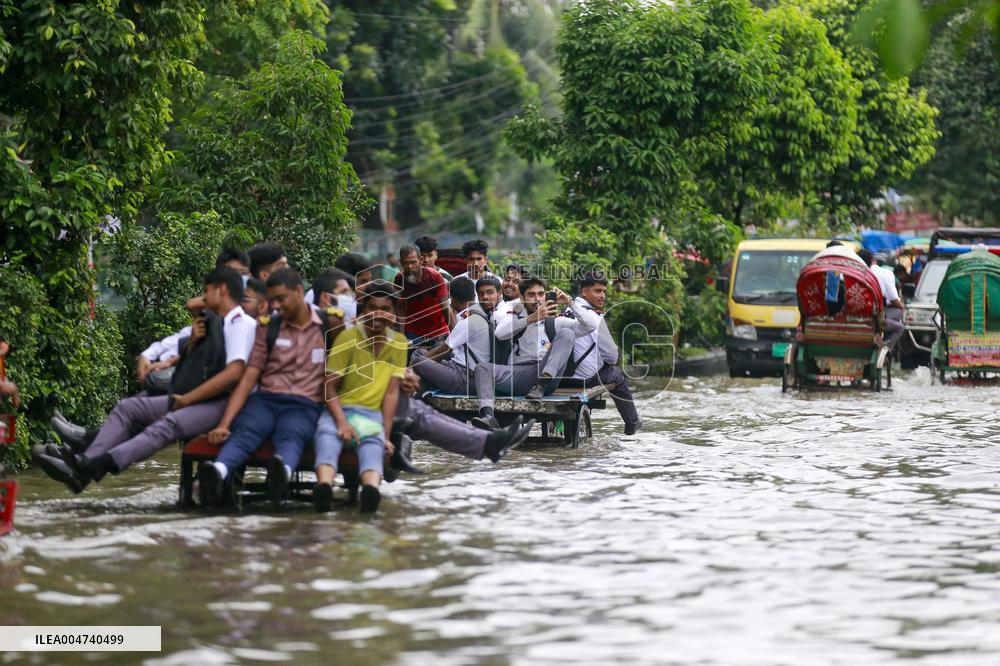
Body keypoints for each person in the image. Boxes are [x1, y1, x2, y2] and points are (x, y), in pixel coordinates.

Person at [34, 267, 258, 493]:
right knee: (128, 408)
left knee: (166, 425)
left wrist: (188, 399)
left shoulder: (241, 324)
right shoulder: (216, 323)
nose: (203, 298)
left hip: (224, 403)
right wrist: (192, 343)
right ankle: (84, 464)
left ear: (221, 290)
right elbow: (194, 365)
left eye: (206, 291)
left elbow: (233, 375)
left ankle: (93, 465)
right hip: (199, 396)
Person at [198, 268, 344, 505]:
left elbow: (345, 364)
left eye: (282, 298)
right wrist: (224, 424)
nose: (276, 305)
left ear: (298, 292)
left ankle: (282, 473)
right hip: (266, 400)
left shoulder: (329, 324)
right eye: (273, 299)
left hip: (304, 404)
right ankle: (218, 471)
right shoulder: (269, 327)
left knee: (292, 434)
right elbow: (248, 379)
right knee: (246, 430)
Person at [313, 281, 407, 513]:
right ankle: (324, 486)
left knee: (374, 445)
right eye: (372, 308)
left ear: (394, 314)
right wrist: (342, 424)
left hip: (370, 415)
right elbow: (328, 387)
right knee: (327, 436)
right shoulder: (347, 338)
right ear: (363, 311)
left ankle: (371, 490)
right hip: (339, 411)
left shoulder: (400, 344)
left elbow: (391, 393)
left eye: (386, 308)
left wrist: (386, 436)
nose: (378, 314)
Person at [472, 277, 598, 429]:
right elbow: (500, 333)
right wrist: (532, 318)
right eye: (531, 295)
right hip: (519, 375)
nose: (537, 299)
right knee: (482, 368)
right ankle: (488, 416)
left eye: (540, 294)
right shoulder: (513, 317)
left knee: (567, 334)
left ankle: (540, 385)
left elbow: (590, 325)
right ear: (522, 298)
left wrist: (570, 302)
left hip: (546, 379)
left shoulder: (555, 322)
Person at [559, 273, 641, 435]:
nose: (602, 295)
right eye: (597, 291)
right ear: (584, 292)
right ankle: (632, 422)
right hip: (584, 379)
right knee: (616, 376)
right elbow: (611, 355)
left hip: (559, 378)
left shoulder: (564, 310)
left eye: (604, 291)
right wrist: (608, 362)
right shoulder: (594, 317)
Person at [410, 278, 490, 396]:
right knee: (419, 353)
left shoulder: (468, 321)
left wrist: (408, 371)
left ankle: (415, 389)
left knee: (420, 361)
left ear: (452, 299)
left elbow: (442, 351)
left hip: (466, 379)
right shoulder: (479, 313)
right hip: (460, 367)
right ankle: (422, 389)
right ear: (474, 295)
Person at [393, 244, 452, 347]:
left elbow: (445, 307)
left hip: (438, 330)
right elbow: (399, 308)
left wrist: (449, 332)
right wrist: (401, 336)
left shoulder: (435, 277)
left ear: (420, 260)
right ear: (401, 262)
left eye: (413, 262)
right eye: (405, 263)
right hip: (413, 330)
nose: (410, 267)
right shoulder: (399, 279)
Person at [859, 248, 905, 351]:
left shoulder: (854, 273)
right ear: (872, 260)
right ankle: (885, 349)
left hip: (857, 316)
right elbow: (894, 299)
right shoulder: (885, 274)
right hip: (873, 318)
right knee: (900, 325)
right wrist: (902, 307)